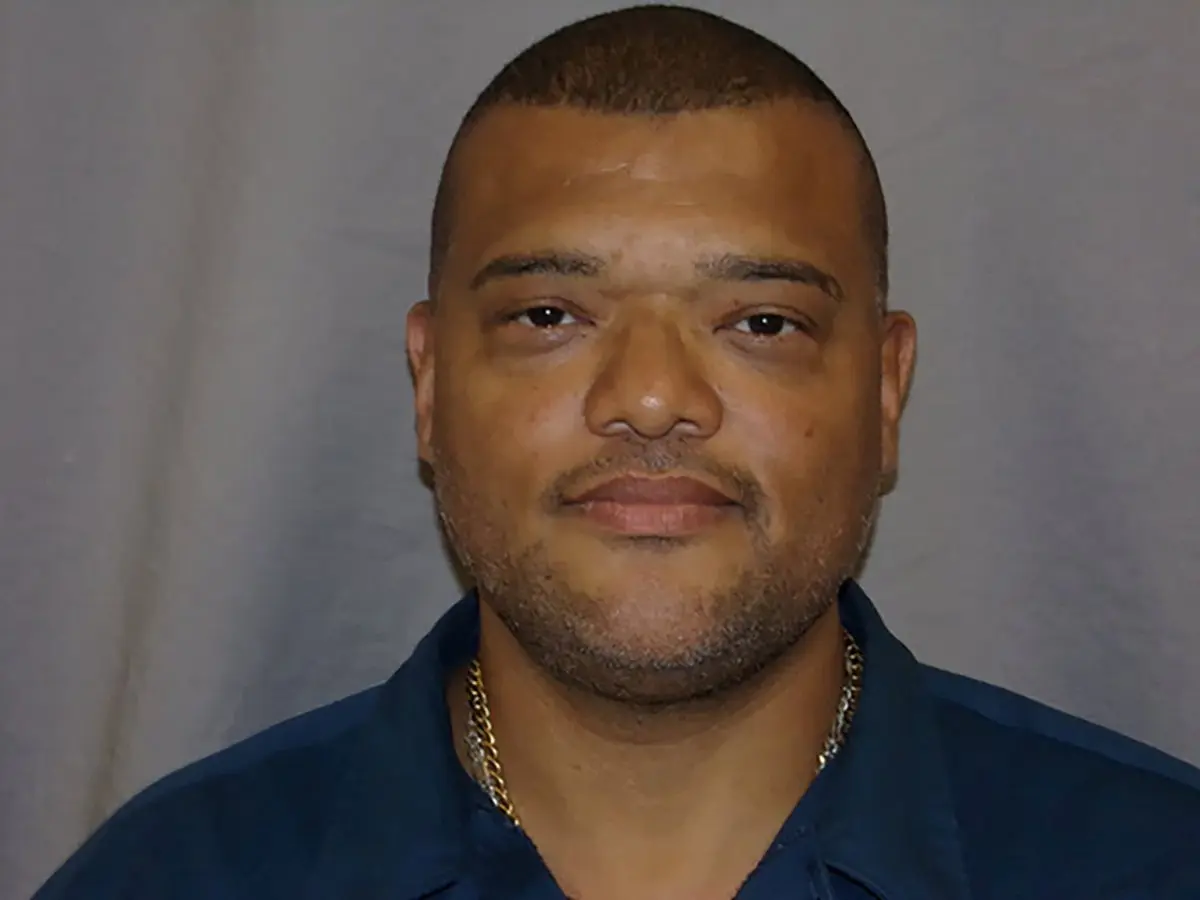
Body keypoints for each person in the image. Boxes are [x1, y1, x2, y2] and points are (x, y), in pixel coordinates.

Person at [34, 5, 1200, 899]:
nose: (650, 399)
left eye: (761, 323)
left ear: (886, 390)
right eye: (549, 315)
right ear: (430, 387)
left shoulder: (1153, 865)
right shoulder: (170, 876)